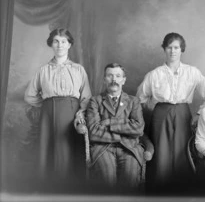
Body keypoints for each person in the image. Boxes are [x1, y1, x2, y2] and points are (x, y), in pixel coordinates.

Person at [136, 32, 205, 190]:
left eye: (176, 47)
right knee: (161, 152)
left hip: (182, 113)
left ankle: (182, 191)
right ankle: (160, 191)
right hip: (160, 115)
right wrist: (152, 108)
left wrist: (199, 113)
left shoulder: (192, 72)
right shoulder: (154, 74)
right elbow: (139, 99)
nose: (172, 51)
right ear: (164, 49)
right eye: (169, 47)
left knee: (182, 151)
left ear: (182, 50)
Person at [24, 28, 92, 185]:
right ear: (51, 45)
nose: (60, 45)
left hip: (72, 114)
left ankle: (70, 189)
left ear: (69, 45)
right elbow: (29, 96)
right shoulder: (43, 70)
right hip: (48, 114)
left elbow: (86, 97)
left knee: (68, 150)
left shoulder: (78, 69)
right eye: (56, 41)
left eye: (63, 41)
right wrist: (47, 104)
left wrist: (80, 114)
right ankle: (48, 189)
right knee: (48, 151)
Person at [86, 63, 145, 193]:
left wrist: (110, 122)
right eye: (110, 76)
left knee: (129, 180)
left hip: (129, 148)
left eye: (118, 76)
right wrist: (124, 132)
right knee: (107, 180)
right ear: (104, 79)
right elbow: (94, 132)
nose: (114, 80)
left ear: (123, 80)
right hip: (103, 148)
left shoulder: (133, 101)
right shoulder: (95, 101)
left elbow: (138, 128)